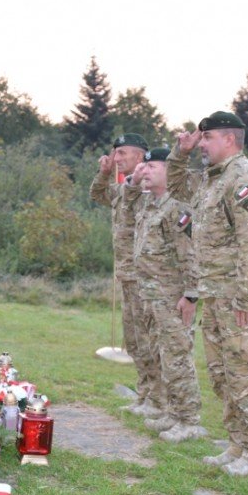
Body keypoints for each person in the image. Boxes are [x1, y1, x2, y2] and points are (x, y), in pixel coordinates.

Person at [167, 111, 248, 476]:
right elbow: (175, 185)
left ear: (229, 139)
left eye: (207, 138)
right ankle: (237, 445)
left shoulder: (244, 177)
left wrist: (247, 296)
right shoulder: (212, 180)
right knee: (221, 375)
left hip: (237, 296)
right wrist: (180, 153)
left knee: (244, 375)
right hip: (215, 293)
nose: (202, 144)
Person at [132, 149, 206, 443]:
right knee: (162, 356)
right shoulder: (150, 205)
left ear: (168, 171)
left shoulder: (178, 209)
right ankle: (173, 413)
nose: (145, 171)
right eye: (144, 166)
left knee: (177, 357)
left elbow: (189, 254)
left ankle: (190, 420)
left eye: (152, 166)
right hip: (151, 296)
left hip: (172, 296)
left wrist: (190, 295)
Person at [89, 133, 166, 418]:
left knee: (150, 340)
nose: (117, 158)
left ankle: (159, 400)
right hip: (127, 275)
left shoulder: (147, 188)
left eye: (122, 154)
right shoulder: (124, 188)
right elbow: (98, 195)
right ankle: (145, 395)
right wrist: (105, 173)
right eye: (115, 154)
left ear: (138, 156)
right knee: (134, 342)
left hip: (146, 276)